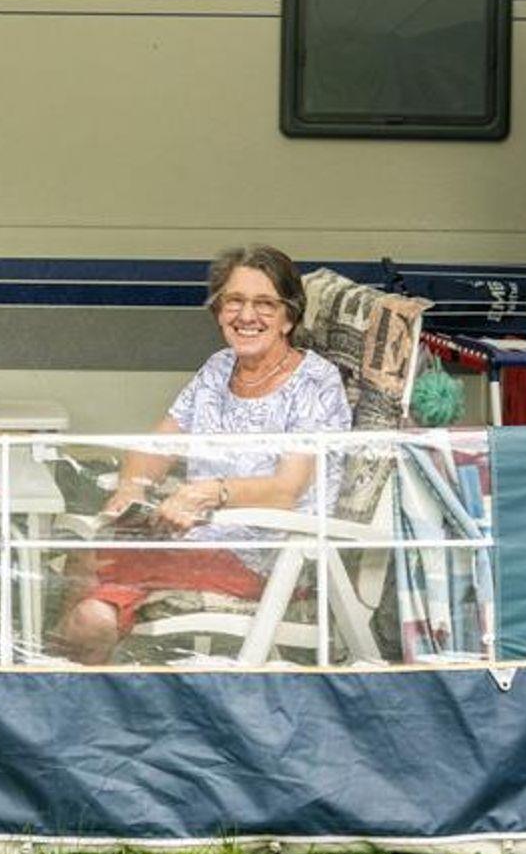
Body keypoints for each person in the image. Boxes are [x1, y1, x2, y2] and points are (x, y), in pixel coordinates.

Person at [58, 244, 351, 664]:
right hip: (193, 540)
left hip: (264, 560)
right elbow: (158, 445)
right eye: (234, 301)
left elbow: (286, 490)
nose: (246, 315)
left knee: (93, 602)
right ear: (218, 311)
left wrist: (209, 493)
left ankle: (80, 658)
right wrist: (131, 487)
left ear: (288, 317)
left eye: (264, 304)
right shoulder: (218, 368)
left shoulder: (316, 382)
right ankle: (80, 664)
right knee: (86, 547)